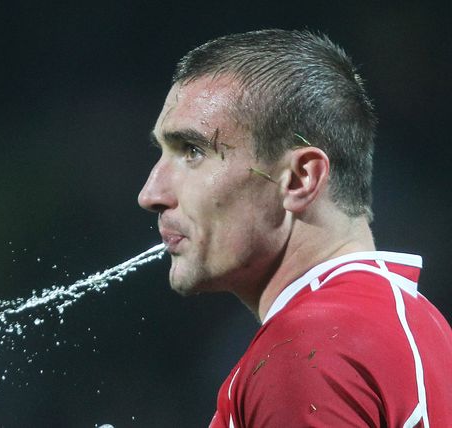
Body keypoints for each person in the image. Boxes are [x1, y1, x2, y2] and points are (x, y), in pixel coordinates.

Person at [137, 29, 452, 427]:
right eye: (162, 153)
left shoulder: (309, 347)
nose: (151, 193)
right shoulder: (418, 325)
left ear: (300, 179)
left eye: (193, 151)